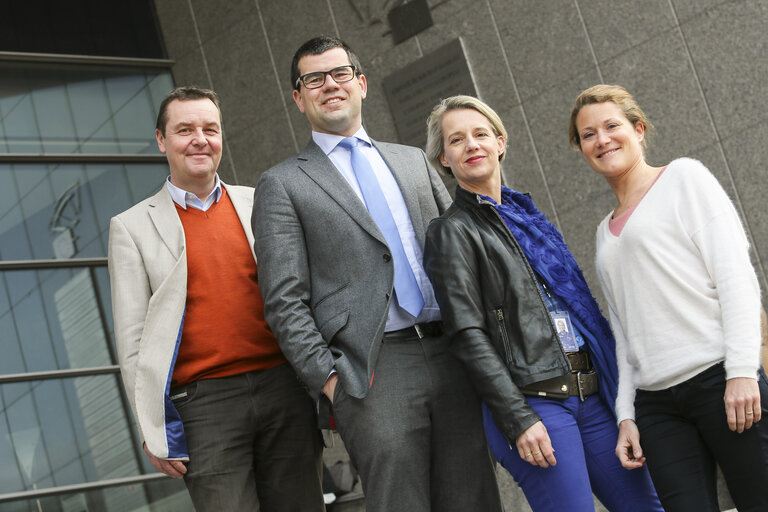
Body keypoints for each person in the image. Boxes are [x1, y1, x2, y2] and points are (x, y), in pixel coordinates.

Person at [252, 37, 501, 512]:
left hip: (452, 353)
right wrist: (330, 379)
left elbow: (463, 254)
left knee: (475, 498)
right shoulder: (282, 184)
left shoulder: (413, 160)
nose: (330, 85)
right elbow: (283, 299)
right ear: (298, 97)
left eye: (340, 73)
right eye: (313, 79)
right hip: (372, 372)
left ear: (361, 84)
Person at [422, 95, 662, 512]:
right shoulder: (452, 232)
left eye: (481, 134)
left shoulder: (528, 218)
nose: (471, 145)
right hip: (535, 405)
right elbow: (466, 334)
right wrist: (517, 418)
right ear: (444, 158)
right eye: (456, 140)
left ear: (500, 142)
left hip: (591, 396)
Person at [108, 87, 324, 511]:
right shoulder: (131, 227)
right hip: (203, 407)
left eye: (210, 128)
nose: (199, 139)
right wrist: (151, 426)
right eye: (184, 129)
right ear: (160, 140)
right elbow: (133, 341)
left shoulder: (261, 202)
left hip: (284, 388)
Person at [570, 83, 768, 511]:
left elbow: (735, 277)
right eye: (588, 134)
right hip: (657, 405)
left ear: (638, 130)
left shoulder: (683, 177)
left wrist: (741, 371)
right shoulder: (604, 232)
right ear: (583, 149)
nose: (602, 139)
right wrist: (627, 414)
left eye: (611, 126)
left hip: (719, 378)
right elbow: (623, 331)